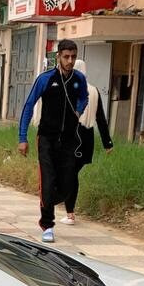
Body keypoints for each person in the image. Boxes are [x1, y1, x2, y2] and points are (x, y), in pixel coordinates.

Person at [18, 39, 87, 243]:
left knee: (67, 185)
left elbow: (84, 97)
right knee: (48, 182)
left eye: (73, 57)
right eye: (66, 56)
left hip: (68, 140)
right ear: (58, 56)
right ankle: (47, 224)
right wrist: (23, 138)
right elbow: (29, 105)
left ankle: (48, 198)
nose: (70, 60)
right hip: (46, 138)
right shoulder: (46, 79)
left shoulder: (79, 79)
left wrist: (79, 110)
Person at [62, 59, 114, 225]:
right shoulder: (94, 90)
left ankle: (70, 214)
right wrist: (108, 143)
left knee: (69, 173)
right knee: (71, 173)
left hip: (73, 135)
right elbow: (101, 119)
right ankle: (68, 208)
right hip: (87, 138)